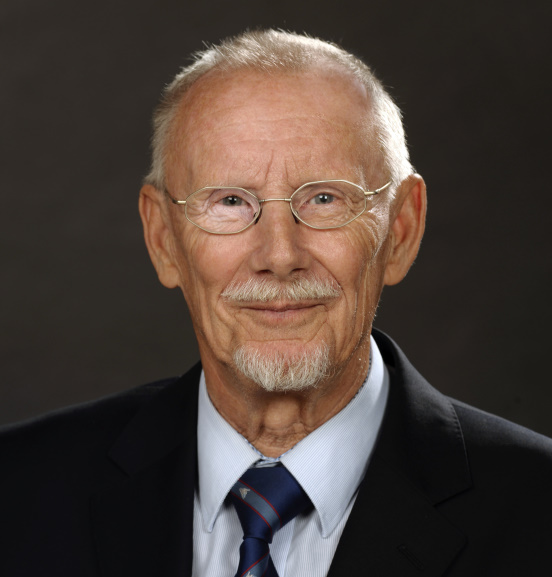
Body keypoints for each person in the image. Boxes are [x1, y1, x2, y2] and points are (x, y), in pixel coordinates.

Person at [1, 29, 551, 577]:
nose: (280, 255)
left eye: (325, 198)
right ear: (164, 239)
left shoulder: (537, 511)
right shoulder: (17, 492)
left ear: (401, 230)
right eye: (231, 202)